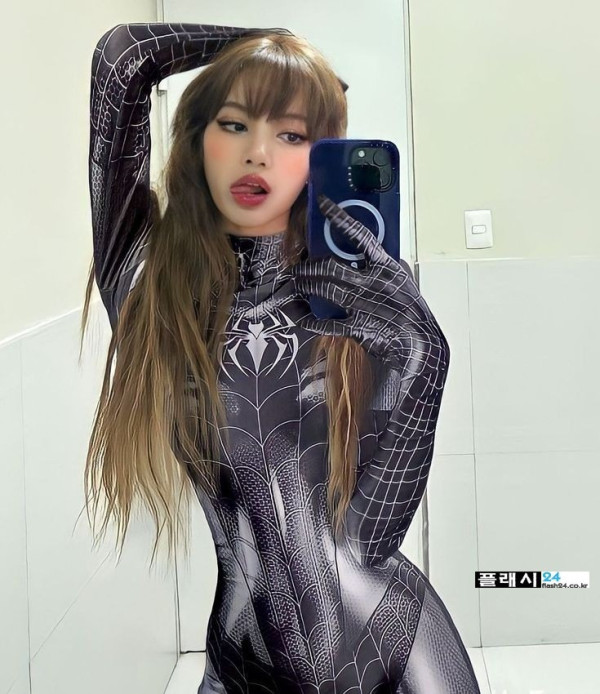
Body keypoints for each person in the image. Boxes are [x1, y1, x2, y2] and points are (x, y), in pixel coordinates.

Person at [81, 22, 481, 693]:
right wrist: (265, 44)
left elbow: (370, 540)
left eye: (291, 134)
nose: (258, 153)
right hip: (241, 668)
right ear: (197, 140)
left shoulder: (358, 297)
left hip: (396, 650)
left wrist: (425, 360)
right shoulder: (150, 288)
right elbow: (123, 58)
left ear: (319, 159)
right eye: (234, 124)